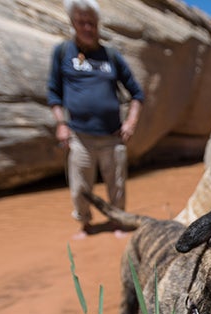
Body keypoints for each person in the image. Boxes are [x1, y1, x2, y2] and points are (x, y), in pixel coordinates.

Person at [47, 0, 145, 239]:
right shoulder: (62, 53)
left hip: (112, 137)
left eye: (92, 23)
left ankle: (118, 223)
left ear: (98, 24)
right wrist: (61, 124)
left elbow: (137, 94)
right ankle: (86, 225)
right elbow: (54, 93)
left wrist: (131, 123)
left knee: (117, 185)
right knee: (80, 188)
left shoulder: (110, 56)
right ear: (73, 23)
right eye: (82, 22)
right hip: (80, 136)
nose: (88, 28)